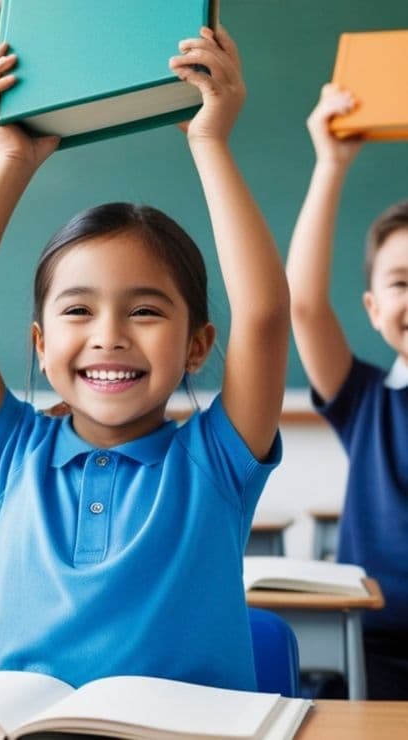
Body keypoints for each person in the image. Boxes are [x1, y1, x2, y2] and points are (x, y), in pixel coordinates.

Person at [0, 27, 289, 691]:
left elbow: (262, 317)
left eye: (145, 311)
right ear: (39, 344)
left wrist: (209, 143)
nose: (108, 335)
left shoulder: (215, 462)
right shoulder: (12, 454)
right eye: (78, 311)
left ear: (198, 346)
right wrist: (12, 163)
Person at [286, 83, 408, 700]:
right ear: (373, 306)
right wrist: (330, 167)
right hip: (372, 648)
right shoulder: (367, 399)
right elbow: (303, 306)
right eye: (402, 282)